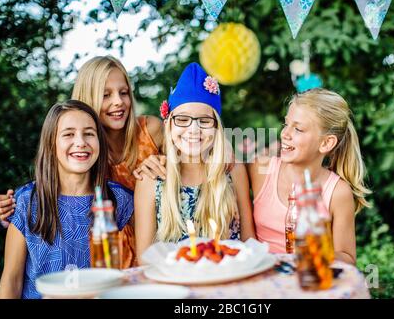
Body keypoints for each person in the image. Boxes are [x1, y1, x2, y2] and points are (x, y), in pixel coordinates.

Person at [0, 55, 163, 268]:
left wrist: (169, 162)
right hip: (105, 260)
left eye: (124, 93)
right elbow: (52, 197)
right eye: (106, 95)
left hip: (152, 250)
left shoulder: (150, 131)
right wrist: (12, 209)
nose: (118, 101)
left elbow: (210, 155)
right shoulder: (82, 154)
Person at [0, 100, 133, 299]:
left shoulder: (117, 198)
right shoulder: (26, 200)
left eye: (89, 133)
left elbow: (157, 240)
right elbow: (12, 280)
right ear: (51, 143)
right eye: (68, 134)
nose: (81, 142)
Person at [134, 63, 256, 260]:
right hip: (173, 285)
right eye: (182, 119)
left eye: (204, 121)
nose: (193, 129)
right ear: (168, 125)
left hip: (227, 280)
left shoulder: (233, 171)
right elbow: (145, 259)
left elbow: (249, 240)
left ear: (217, 127)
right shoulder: (151, 179)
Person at [248, 88, 371, 264]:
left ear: (326, 143)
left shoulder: (337, 192)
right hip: (261, 275)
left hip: (309, 281)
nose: (285, 134)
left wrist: (315, 254)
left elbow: (347, 257)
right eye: (286, 124)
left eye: (298, 129)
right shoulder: (261, 169)